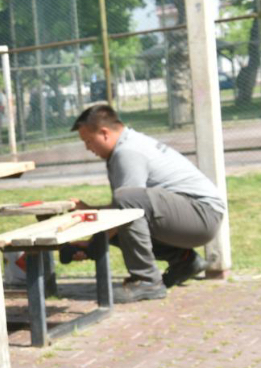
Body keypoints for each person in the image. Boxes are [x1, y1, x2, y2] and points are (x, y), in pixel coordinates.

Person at [70, 104, 225, 303]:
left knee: (124, 208)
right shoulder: (127, 144)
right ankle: (184, 261)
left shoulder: (127, 152)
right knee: (122, 219)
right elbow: (126, 210)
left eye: (89, 141)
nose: (87, 148)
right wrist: (91, 211)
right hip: (196, 215)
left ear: (104, 133)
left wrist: (93, 246)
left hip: (202, 215)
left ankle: (147, 281)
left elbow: (126, 209)